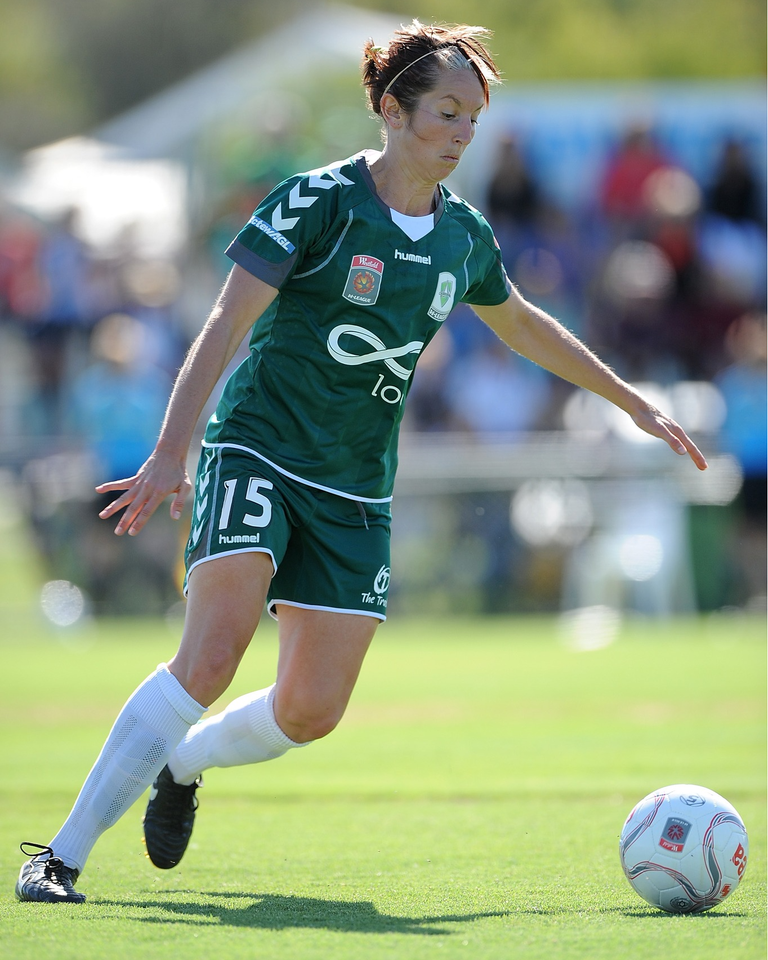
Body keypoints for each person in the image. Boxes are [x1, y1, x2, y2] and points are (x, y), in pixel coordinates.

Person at [15, 20, 707, 904]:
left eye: (473, 119)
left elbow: (524, 322)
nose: (462, 134)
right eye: (446, 113)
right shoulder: (317, 202)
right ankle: (60, 857)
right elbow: (225, 325)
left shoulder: (462, 237)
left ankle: (181, 764)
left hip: (354, 483)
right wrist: (169, 454)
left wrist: (632, 400)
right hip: (258, 446)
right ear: (391, 108)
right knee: (214, 655)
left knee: (311, 711)